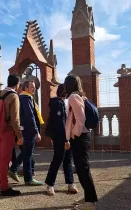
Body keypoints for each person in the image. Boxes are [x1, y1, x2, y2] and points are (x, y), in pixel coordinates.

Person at [64, 75, 98, 210]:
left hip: (80, 137)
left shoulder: (73, 97)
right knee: (83, 168)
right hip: (82, 136)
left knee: (82, 169)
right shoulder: (80, 96)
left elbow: (80, 119)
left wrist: (73, 134)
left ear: (69, 85)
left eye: (65, 83)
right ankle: (89, 197)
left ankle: (90, 203)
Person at [44, 84, 78, 196]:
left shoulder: (64, 102)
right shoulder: (57, 103)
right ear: (65, 93)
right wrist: (65, 140)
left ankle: (70, 183)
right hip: (61, 137)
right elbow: (60, 124)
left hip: (67, 136)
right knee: (58, 159)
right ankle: (50, 184)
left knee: (68, 160)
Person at [0, 74, 23, 196]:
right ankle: (4, 188)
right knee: (5, 160)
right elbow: (15, 119)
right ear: (17, 84)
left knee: (1, 158)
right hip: (7, 131)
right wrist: (20, 136)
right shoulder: (14, 96)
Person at [19, 80, 44, 186]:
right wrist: (36, 131)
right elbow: (30, 116)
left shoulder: (23, 97)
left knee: (26, 154)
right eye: (32, 87)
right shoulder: (26, 98)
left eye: (35, 87)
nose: (34, 89)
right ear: (25, 88)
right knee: (28, 156)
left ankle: (18, 171)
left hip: (25, 129)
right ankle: (28, 178)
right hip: (29, 131)